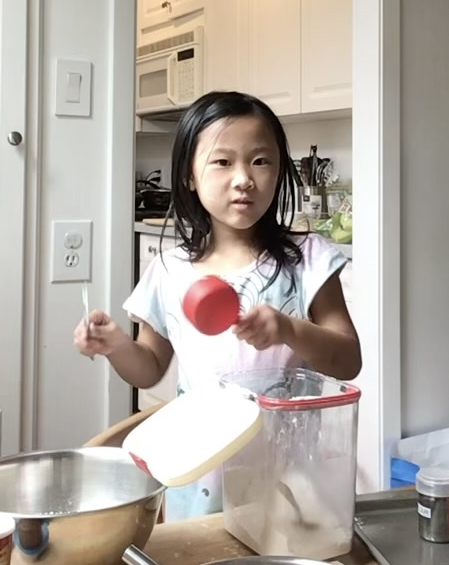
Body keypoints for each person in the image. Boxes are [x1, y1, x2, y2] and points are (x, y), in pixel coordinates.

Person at [73, 90, 361, 522]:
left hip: (291, 474)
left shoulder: (309, 258)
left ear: (280, 170)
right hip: (201, 475)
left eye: (260, 161)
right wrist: (116, 345)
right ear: (189, 175)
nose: (243, 178)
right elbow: (150, 367)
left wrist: (288, 329)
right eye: (223, 162)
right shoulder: (169, 270)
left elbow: (348, 359)